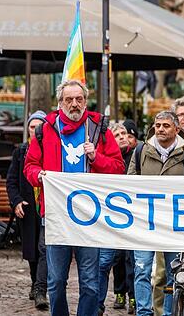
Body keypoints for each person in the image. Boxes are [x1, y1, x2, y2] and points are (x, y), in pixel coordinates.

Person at [24, 79, 125, 316]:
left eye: (79, 99)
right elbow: (30, 166)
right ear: (60, 103)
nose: (74, 104)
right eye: (68, 99)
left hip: (90, 217)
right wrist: (39, 175)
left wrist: (96, 158)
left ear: (86, 101)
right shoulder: (45, 130)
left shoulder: (99, 129)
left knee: (90, 281)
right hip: (56, 215)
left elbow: (119, 168)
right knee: (56, 280)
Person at [128, 111, 184, 316]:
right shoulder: (140, 151)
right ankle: (144, 312)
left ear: (176, 129)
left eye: (166, 125)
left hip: (173, 224)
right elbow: (129, 183)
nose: (160, 129)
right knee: (142, 270)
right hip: (145, 222)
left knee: (173, 272)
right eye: (158, 125)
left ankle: (168, 313)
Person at [6, 110, 49, 310]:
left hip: (48, 208)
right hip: (28, 208)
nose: (36, 130)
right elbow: (11, 181)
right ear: (28, 129)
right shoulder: (21, 152)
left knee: (44, 249)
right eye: (32, 127)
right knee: (32, 250)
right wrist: (16, 202)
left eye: (39, 127)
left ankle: (41, 289)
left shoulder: (52, 150)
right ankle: (35, 282)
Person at [99, 122, 136, 314]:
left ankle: (133, 296)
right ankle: (119, 292)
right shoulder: (106, 158)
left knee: (132, 259)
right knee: (115, 259)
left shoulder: (136, 155)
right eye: (117, 134)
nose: (122, 137)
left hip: (133, 215)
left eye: (124, 133)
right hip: (112, 215)